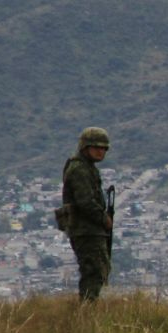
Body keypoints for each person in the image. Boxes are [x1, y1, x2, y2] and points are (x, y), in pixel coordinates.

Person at [60, 126, 112, 302]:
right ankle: (87, 309)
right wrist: (103, 218)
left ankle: (88, 307)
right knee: (93, 270)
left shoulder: (86, 167)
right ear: (85, 147)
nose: (101, 152)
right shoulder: (79, 169)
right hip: (86, 230)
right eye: (96, 147)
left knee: (96, 269)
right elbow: (85, 202)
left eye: (104, 148)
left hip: (88, 229)